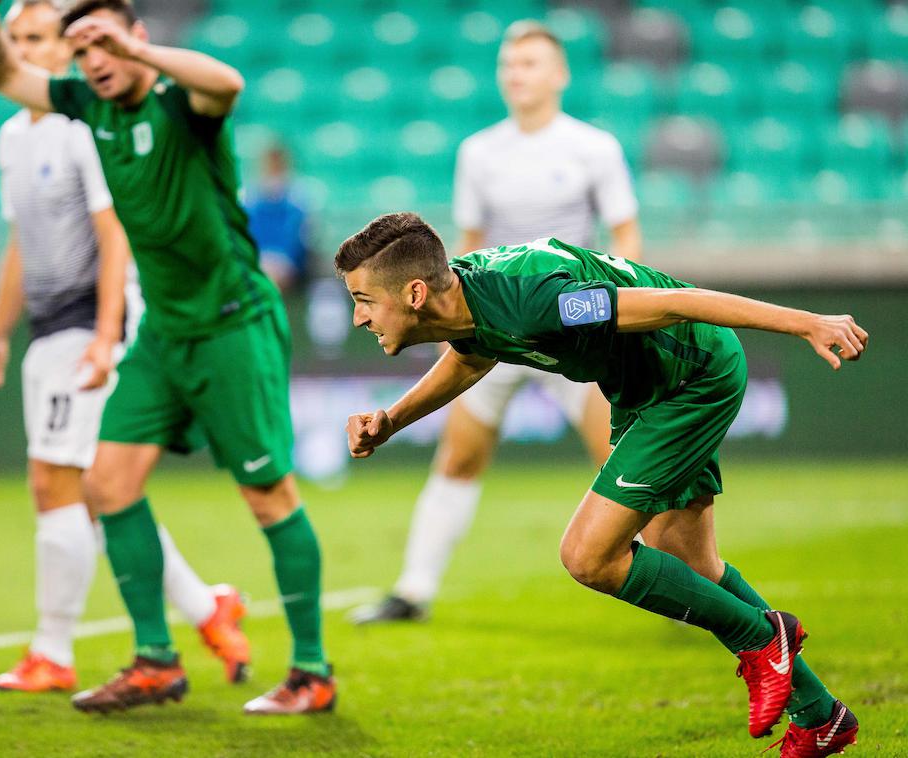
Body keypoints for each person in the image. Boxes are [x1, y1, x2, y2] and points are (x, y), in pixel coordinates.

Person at [338, 212, 863, 756]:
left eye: (364, 299)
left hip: (691, 375)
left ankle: (761, 638)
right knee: (693, 568)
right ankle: (823, 716)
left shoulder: (538, 299)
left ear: (416, 292)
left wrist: (805, 322)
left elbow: (673, 303)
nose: (358, 317)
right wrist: (393, 421)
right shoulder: (468, 301)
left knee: (589, 555)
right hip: (643, 390)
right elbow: (470, 361)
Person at [0, 0, 334, 715]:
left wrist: (143, 54)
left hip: (232, 325)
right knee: (106, 483)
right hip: (162, 334)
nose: (93, 60)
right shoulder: (82, 106)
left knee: (268, 497)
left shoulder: (181, 104)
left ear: (136, 36)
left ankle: (311, 670)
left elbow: (226, 83)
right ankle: (156, 661)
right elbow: (5, 75)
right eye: (81, 47)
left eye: (104, 42)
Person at [350, 20, 642, 625]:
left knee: (618, 457)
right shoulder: (479, 152)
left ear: (559, 74)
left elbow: (624, 242)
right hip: (492, 326)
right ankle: (413, 589)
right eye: (509, 64)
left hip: (567, 323)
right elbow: (467, 250)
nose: (516, 73)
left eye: (530, 63)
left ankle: (684, 580)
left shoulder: (594, 148)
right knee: (459, 456)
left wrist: (624, 314)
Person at [245, 144, 311, 294]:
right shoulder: (251, 202)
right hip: (259, 260)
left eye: (277, 165)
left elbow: (297, 240)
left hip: (287, 264)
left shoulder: (298, 201)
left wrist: (282, 262)